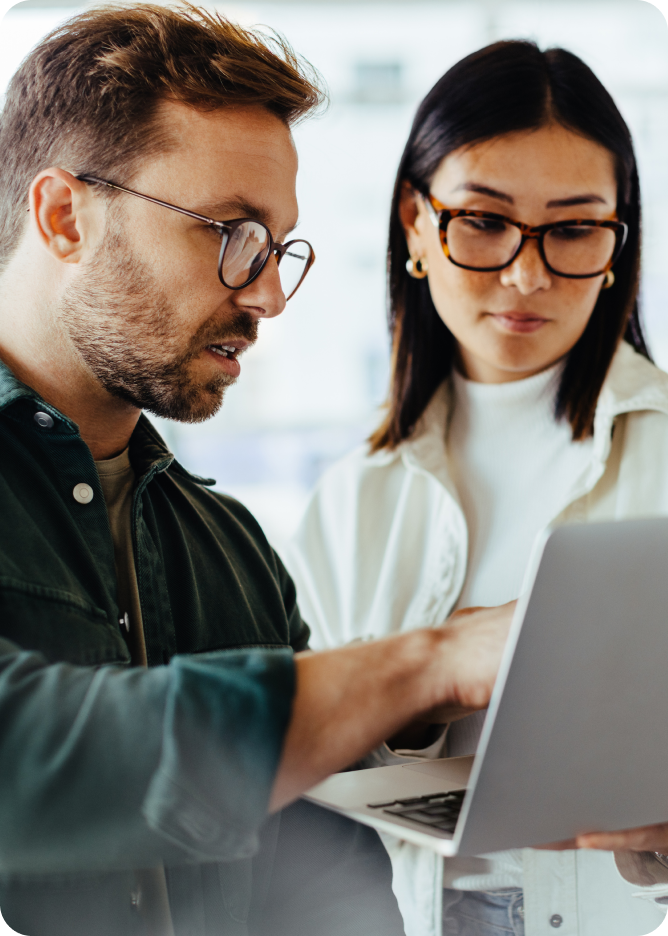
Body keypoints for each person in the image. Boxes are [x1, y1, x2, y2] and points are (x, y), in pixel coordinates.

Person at [0, 7, 516, 936]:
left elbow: (325, 881)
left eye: (279, 247)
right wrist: (425, 664)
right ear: (63, 215)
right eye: (233, 233)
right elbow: (35, 749)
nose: (269, 294)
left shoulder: (231, 548)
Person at [282, 40, 668, 936]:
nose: (526, 275)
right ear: (416, 221)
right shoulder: (350, 502)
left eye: (573, 228)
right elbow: (297, 768)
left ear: (619, 242)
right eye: (485, 222)